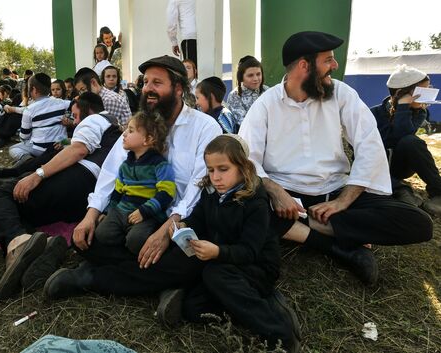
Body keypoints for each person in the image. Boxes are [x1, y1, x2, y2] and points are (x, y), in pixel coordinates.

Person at [238, 31, 433, 286]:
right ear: (304, 66)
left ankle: (303, 227)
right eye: (328, 60)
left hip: (335, 191)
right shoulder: (266, 104)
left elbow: (369, 143)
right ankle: (338, 247)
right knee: (243, 208)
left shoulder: (341, 93)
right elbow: (246, 158)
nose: (335, 65)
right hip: (286, 198)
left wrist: (343, 201)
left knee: (419, 224)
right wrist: (275, 191)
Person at [41, 56, 222, 307]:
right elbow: (112, 170)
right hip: (134, 216)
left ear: (178, 89)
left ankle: (91, 276)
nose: (148, 88)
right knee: (86, 238)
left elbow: (200, 185)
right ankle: (160, 283)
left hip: (180, 218)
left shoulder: (205, 127)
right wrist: (91, 214)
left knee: (190, 259)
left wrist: (166, 230)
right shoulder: (139, 125)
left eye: (157, 82)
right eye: (146, 82)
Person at [0, 91, 122, 300]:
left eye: (76, 117)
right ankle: (43, 245)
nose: (74, 122)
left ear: (88, 110)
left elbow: (79, 150)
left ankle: (18, 244)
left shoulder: (95, 118)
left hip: (80, 178)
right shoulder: (116, 128)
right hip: (91, 199)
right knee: (24, 211)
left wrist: (38, 175)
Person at [169, 134, 300, 352]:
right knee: (193, 308)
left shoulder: (255, 201)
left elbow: (249, 251)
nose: (216, 177)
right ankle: (255, 305)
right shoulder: (211, 192)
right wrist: (185, 227)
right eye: (211, 170)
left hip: (256, 267)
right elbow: (199, 219)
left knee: (214, 275)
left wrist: (217, 252)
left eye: (223, 169)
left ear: (242, 167)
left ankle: (277, 328)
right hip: (226, 261)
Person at [94, 111, 175, 255]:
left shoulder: (160, 164)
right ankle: (124, 246)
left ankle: (131, 247)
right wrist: (109, 212)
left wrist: (145, 211)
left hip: (146, 214)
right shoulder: (125, 165)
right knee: (102, 233)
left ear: (148, 139)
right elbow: (118, 191)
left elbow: (167, 192)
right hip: (121, 211)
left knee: (136, 240)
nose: (124, 134)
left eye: (130, 130)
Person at [370, 65, 441, 215]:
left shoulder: (419, 112)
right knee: (369, 149)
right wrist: (402, 105)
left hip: (400, 165)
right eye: (423, 91)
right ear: (401, 94)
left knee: (411, 141)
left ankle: (438, 192)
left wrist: (403, 109)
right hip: (376, 166)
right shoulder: (373, 113)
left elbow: (402, 136)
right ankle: (401, 192)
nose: (427, 97)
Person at [7, 73, 69, 163]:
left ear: (34, 90)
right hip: (63, 145)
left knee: (13, 149)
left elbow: (24, 136)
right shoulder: (62, 103)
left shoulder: (29, 110)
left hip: (41, 149)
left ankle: (29, 161)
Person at [225, 56, 267, 126]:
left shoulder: (268, 91)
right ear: (241, 77)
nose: (256, 78)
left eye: (258, 74)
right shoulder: (235, 96)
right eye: (250, 75)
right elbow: (244, 123)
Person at [167, 0, 197, 65]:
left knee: (190, 69)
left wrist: (174, 41)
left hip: (189, 36)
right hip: (206, 34)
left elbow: (171, 21)